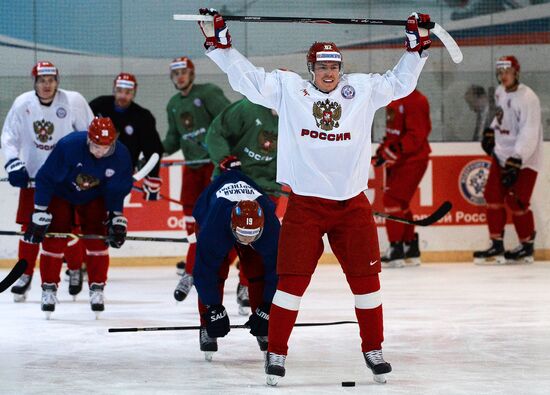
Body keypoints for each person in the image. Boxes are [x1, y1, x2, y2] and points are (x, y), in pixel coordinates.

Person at [197, 8, 432, 385]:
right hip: (305, 206)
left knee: (367, 284)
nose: (329, 72)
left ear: (341, 68)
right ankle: (276, 353)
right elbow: (249, 81)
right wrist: (221, 46)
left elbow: (399, 84)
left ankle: (374, 348)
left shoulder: (362, 89)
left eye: (334, 66)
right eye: (322, 66)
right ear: (311, 69)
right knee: (290, 284)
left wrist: (415, 48)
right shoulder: (291, 91)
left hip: (352, 206)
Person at [1, 61, 94, 302]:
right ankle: (24, 274)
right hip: (34, 178)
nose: (46, 85)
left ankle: (74, 269)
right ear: (35, 82)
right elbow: (9, 137)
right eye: (42, 80)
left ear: (57, 81)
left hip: (65, 181)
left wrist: (85, 170)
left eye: (51, 80)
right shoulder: (23, 103)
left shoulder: (73, 101)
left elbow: (89, 136)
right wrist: (13, 163)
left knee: (68, 230)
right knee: (29, 229)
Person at [23, 117, 133, 319]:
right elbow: (46, 178)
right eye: (97, 146)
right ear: (89, 139)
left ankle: (97, 288)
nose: (101, 152)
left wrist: (116, 217)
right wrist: (39, 211)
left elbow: (116, 190)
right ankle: (48, 288)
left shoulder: (121, 156)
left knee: (98, 241)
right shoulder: (69, 146)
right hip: (61, 193)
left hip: (94, 196)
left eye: (106, 147)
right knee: (54, 240)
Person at [162, 56, 231, 303]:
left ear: (191, 74)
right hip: (191, 171)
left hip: (213, 169)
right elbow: (172, 138)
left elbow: (228, 121)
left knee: (218, 226)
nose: (180, 77)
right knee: (192, 227)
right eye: (175, 73)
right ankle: (191, 271)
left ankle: (199, 271)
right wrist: (151, 156)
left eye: (184, 72)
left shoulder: (209, 93)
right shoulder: (173, 104)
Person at [191, 169, 279, 361]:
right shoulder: (213, 227)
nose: (245, 242)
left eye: (251, 237)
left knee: (258, 271)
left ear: (262, 227)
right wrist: (213, 309)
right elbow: (203, 273)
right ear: (232, 226)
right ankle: (206, 324)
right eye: (242, 237)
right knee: (217, 272)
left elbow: (277, 272)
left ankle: (262, 322)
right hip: (212, 212)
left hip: (245, 224)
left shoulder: (271, 228)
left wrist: (266, 308)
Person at [205, 98, 281, 314]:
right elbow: (216, 131)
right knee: (224, 241)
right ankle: (211, 290)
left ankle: (247, 285)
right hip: (234, 183)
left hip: (267, 188)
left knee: (256, 241)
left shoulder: (297, 113)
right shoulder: (247, 108)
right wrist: (224, 158)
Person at [473, 55, 542, 265]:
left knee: (517, 201)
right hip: (502, 154)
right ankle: (496, 245)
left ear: (516, 73)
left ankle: (527, 246)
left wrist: (517, 157)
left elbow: (529, 130)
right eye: (501, 73)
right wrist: (491, 131)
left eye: (508, 72)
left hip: (525, 158)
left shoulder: (528, 98)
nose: (504, 76)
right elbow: (501, 116)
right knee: (492, 197)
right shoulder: (500, 91)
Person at [372, 89, 432, 268]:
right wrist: (384, 150)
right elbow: (394, 132)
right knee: (401, 204)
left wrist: (393, 151)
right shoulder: (394, 97)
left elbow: (416, 135)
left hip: (413, 159)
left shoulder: (417, 100)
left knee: (392, 200)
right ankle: (409, 247)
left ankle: (396, 249)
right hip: (401, 158)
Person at [89, 72, 164, 200]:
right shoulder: (98, 106)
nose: (123, 96)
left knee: (112, 213)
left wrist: (152, 177)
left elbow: (153, 149)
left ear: (134, 92)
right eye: (119, 91)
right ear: (114, 89)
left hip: (121, 172)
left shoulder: (142, 117)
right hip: (93, 169)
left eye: (128, 92)